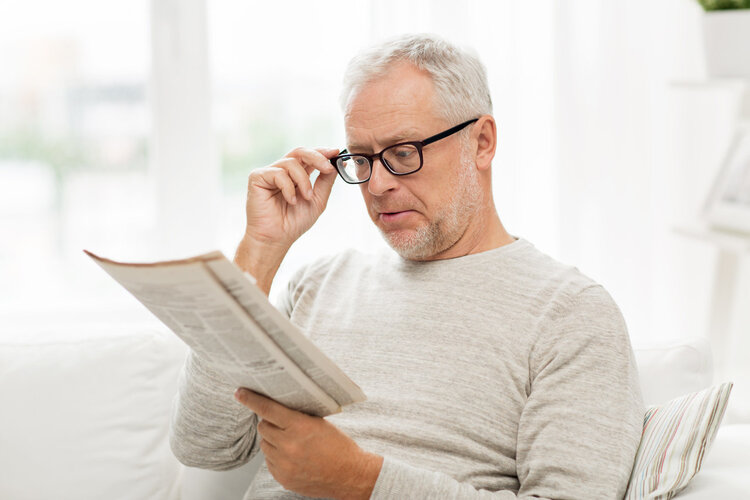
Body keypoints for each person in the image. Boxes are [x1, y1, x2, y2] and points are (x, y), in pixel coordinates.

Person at [169, 33, 644, 499]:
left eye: (401, 153)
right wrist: (260, 250)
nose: (375, 186)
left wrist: (360, 479)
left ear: (481, 142)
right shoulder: (320, 283)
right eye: (361, 158)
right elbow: (204, 445)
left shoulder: (572, 313)